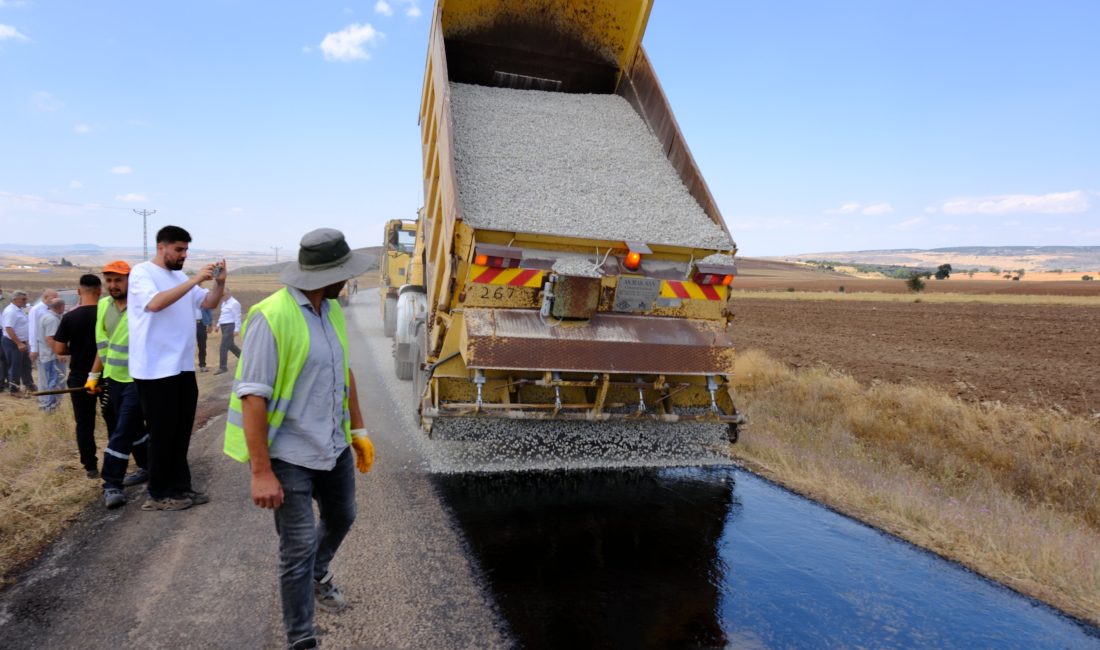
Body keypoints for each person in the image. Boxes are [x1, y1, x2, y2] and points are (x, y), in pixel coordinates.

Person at [224, 228, 374, 650]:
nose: (348, 279)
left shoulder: (330, 309)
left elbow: (344, 372)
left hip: (333, 446)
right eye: (343, 271)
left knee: (343, 516)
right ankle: (301, 638)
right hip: (288, 455)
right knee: (298, 547)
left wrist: (358, 431)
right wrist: (261, 473)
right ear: (326, 274)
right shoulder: (271, 317)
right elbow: (253, 396)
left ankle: (317, 572)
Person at [128, 225, 225, 511]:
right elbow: (155, 304)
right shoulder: (142, 273)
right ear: (162, 247)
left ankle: (180, 488)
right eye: (178, 249)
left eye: (186, 250)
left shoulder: (180, 277)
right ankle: (158, 495)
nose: (183, 255)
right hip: (155, 369)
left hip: (181, 366)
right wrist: (196, 278)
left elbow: (207, 302)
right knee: (162, 432)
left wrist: (218, 283)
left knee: (181, 431)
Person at [87, 260, 151, 509]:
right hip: (113, 379)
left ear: (130, 281)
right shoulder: (103, 305)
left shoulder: (142, 307)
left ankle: (111, 483)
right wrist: (94, 376)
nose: (113, 285)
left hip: (138, 379)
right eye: (109, 280)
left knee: (122, 430)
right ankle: (148, 466)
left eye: (118, 280)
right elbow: (103, 345)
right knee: (133, 429)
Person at [51, 275, 103, 478]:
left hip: (80, 376)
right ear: (100, 291)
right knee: (114, 419)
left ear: (79, 291)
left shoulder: (70, 318)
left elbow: (60, 349)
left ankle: (90, 466)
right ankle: (119, 460)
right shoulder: (106, 314)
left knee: (84, 423)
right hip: (107, 374)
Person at [2, 290, 36, 395]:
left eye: (26, 299)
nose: (26, 301)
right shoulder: (11, 311)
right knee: (15, 366)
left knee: (26, 364)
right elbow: (8, 328)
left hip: (21, 342)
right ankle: (14, 389)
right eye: (23, 299)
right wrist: (19, 343)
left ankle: (29, 385)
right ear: (15, 299)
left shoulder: (19, 309)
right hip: (13, 342)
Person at [35, 297, 66, 411]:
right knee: (55, 381)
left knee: (51, 380)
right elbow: (50, 338)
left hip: (47, 355)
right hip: (51, 356)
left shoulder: (46, 316)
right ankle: (50, 407)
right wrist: (59, 353)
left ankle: (48, 405)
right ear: (61, 307)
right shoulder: (52, 319)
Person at [28, 288, 59, 370]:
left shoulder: (53, 309)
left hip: (50, 344)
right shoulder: (36, 310)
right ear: (46, 297)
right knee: (44, 371)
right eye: (54, 298)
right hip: (41, 345)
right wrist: (34, 348)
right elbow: (33, 329)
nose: (56, 300)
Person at [213, 289, 241, 375]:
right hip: (224, 326)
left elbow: (237, 317)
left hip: (230, 326)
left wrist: (237, 329)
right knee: (231, 345)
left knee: (223, 346)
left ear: (228, 294)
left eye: (223, 295)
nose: (221, 297)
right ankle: (244, 359)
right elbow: (223, 315)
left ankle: (223, 367)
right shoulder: (224, 303)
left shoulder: (234, 303)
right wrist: (218, 325)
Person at [196, 303, 213, 372]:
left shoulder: (202, 300)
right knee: (188, 346)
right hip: (190, 324)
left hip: (201, 324)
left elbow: (209, 311)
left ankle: (202, 365)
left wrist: (210, 324)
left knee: (202, 345)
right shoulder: (187, 301)